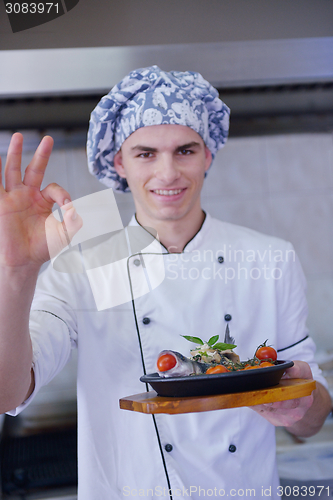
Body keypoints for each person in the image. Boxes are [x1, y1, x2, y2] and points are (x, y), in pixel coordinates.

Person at [0, 66, 331, 500]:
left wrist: (302, 406)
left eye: (185, 150)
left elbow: (312, 415)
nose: (168, 172)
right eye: (145, 153)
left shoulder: (269, 257)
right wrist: (17, 272)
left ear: (208, 154)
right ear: (119, 161)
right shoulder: (85, 265)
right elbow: (9, 392)